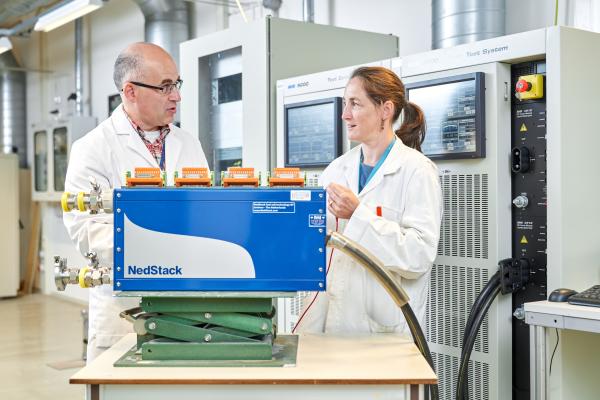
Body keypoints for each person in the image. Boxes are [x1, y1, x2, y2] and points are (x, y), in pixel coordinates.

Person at [63, 42, 208, 362]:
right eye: (165, 86)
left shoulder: (188, 143)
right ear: (130, 91)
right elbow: (88, 232)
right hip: (123, 308)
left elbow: (205, 212)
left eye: (177, 84)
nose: (176, 96)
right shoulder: (93, 148)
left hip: (188, 305)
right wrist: (166, 243)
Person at [296, 66, 442, 336]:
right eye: (344, 104)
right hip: (332, 324)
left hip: (383, 329)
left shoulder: (417, 171)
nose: (345, 114)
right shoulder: (336, 170)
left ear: (385, 110)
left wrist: (358, 215)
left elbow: (419, 254)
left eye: (355, 104)